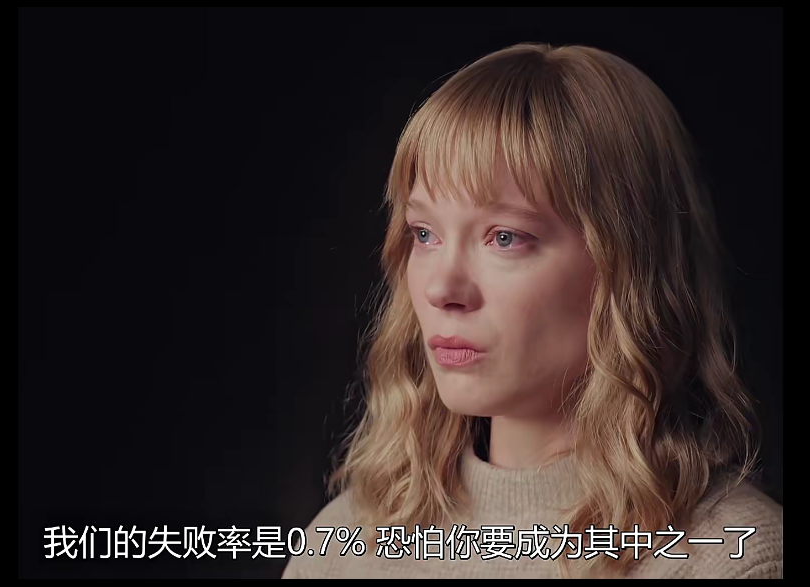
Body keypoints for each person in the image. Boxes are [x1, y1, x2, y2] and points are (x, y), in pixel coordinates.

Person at [281, 42, 782, 579]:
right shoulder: (343, 544)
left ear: (628, 265)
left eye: (505, 237)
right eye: (424, 233)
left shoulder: (734, 560)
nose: (442, 288)